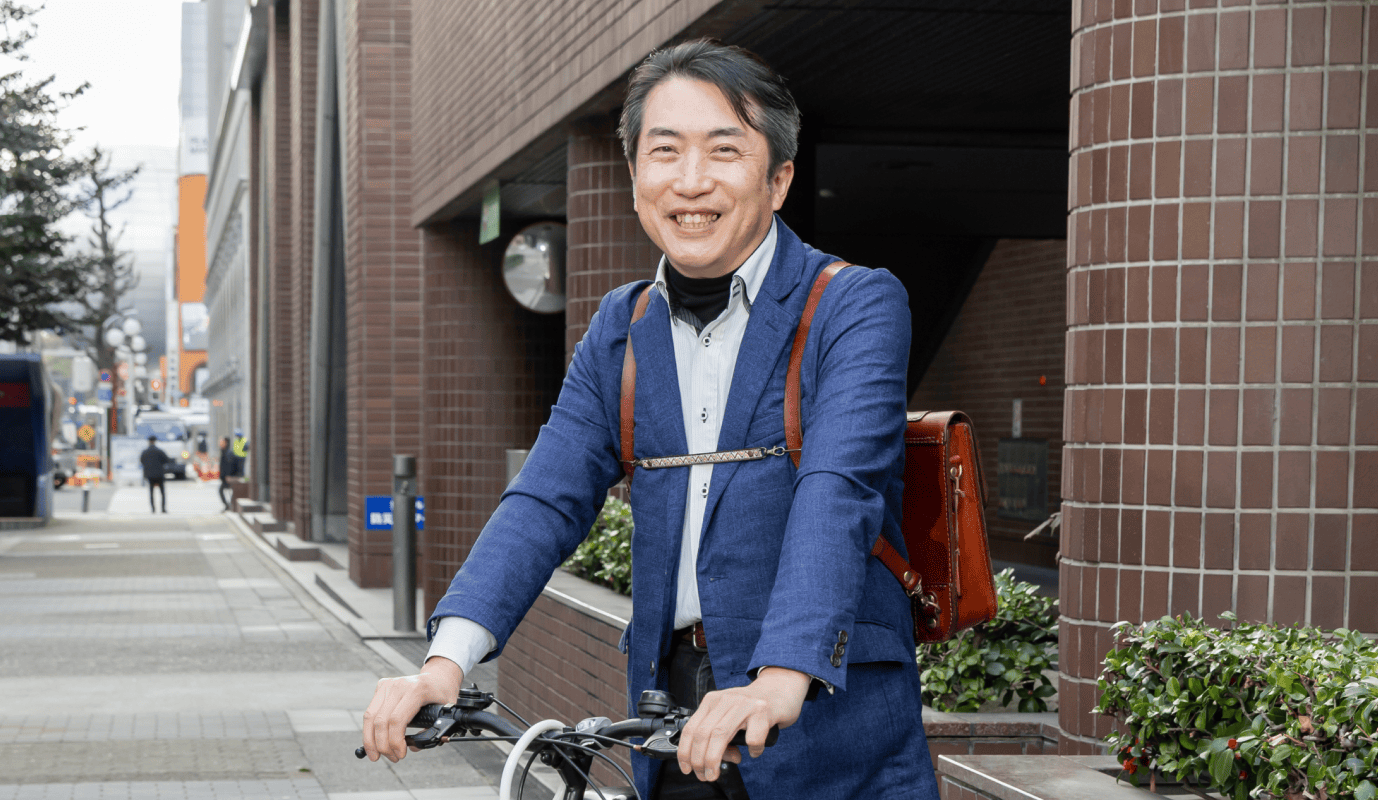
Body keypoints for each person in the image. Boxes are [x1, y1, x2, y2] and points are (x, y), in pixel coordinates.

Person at [361, 39, 935, 800]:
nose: (691, 181)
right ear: (636, 180)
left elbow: (837, 490)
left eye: (724, 150)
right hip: (671, 725)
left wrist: (779, 677)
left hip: (828, 730)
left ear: (779, 178)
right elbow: (546, 496)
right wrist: (444, 664)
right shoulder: (621, 325)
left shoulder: (853, 304)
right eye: (665, 152)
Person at [216, 429, 247, 511]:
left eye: (221, 441)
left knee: (227, 490)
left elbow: (229, 465)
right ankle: (229, 506)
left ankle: (230, 506)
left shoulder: (228, 453)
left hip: (232, 476)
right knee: (225, 490)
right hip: (228, 476)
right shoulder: (225, 451)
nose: (220, 443)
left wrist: (229, 475)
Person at [139, 436, 170, 513]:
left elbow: (142, 461)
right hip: (159, 474)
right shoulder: (159, 451)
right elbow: (166, 460)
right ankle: (163, 509)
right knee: (162, 493)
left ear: (148, 441)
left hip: (150, 475)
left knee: (151, 492)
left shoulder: (145, 452)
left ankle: (153, 509)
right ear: (155, 441)